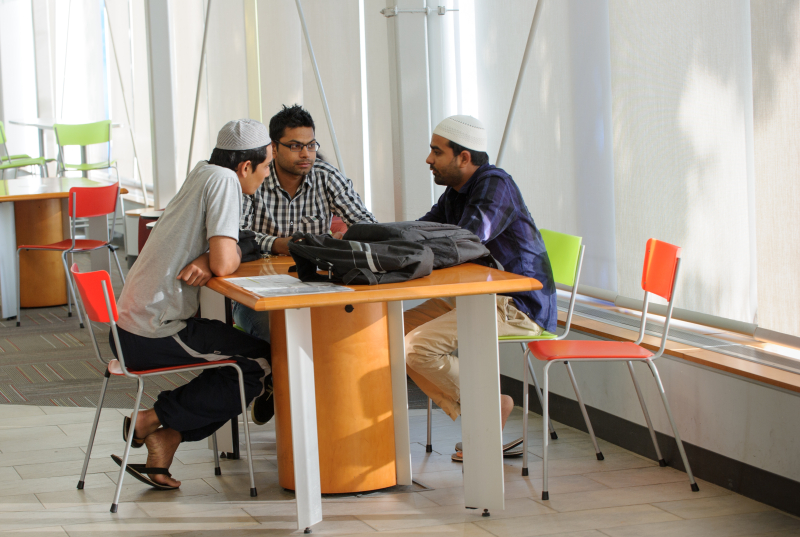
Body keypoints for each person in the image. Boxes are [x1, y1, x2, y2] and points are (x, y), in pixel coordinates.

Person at [111, 119, 274, 489]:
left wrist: (215, 255)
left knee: (241, 356)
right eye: (266, 167)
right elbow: (223, 262)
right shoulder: (225, 181)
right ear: (246, 166)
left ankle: (165, 441)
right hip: (153, 329)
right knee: (258, 364)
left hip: (133, 322)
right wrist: (217, 256)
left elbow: (219, 253)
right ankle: (151, 420)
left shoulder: (203, 171)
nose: (266, 176)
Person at [403, 115, 557, 462]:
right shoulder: (454, 193)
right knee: (387, 334)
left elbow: (468, 241)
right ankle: (485, 411)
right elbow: (423, 230)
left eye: (436, 151)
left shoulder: (495, 185)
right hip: (474, 297)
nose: (429, 159)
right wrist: (382, 238)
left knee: (416, 348)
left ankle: (487, 411)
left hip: (519, 303)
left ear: (464, 157)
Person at [234, 105, 377, 423]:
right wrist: (278, 244)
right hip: (258, 293)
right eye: (295, 145)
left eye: (311, 145)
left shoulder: (326, 177)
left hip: (315, 286)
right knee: (279, 336)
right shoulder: (255, 176)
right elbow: (236, 235)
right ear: (273, 148)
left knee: (346, 335)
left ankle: (325, 420)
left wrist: (353, 241)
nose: (306, 154)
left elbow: (366, 223)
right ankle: (292, 408)